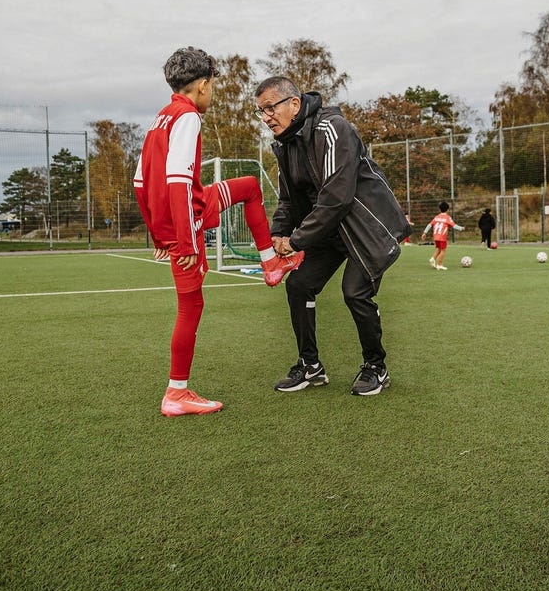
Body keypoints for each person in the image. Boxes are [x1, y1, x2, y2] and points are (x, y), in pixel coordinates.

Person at [134, 48, 305, 417]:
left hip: (192, 206)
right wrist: (181, 240)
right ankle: (176, 393)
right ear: (204, 84)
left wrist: (159, 234)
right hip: (189, 217)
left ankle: (270, 264)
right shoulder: (188, 117)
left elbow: (139, 182)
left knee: (249, 187)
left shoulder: (159, 119)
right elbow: (177, 180)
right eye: (214, 86)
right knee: (191, 305)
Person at [257, 76, 411, 397]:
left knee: (354, 292)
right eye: (261, 111)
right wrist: (278, 233)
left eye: (270, 108)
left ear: (294, 104)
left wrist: (296, 241)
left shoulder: (331, 128)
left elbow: (336, 197)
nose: (266, 116)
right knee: (299, 285)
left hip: (364, 229)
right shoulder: (286, 146)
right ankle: (310, 366)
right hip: (328, 230)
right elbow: (289, 199)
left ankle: (375, 367)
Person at [420, 201, 464, 270]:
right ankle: (439, 264)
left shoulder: (436, 217)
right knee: (443, 250)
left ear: (440, 209)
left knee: (439, 249)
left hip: (436, 236)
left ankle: (432, 259)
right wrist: (461, 228)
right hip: (442, 237)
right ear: (447, 209)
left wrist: (424, 232)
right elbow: (454, 226)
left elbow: (429, 225)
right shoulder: (447, 217)